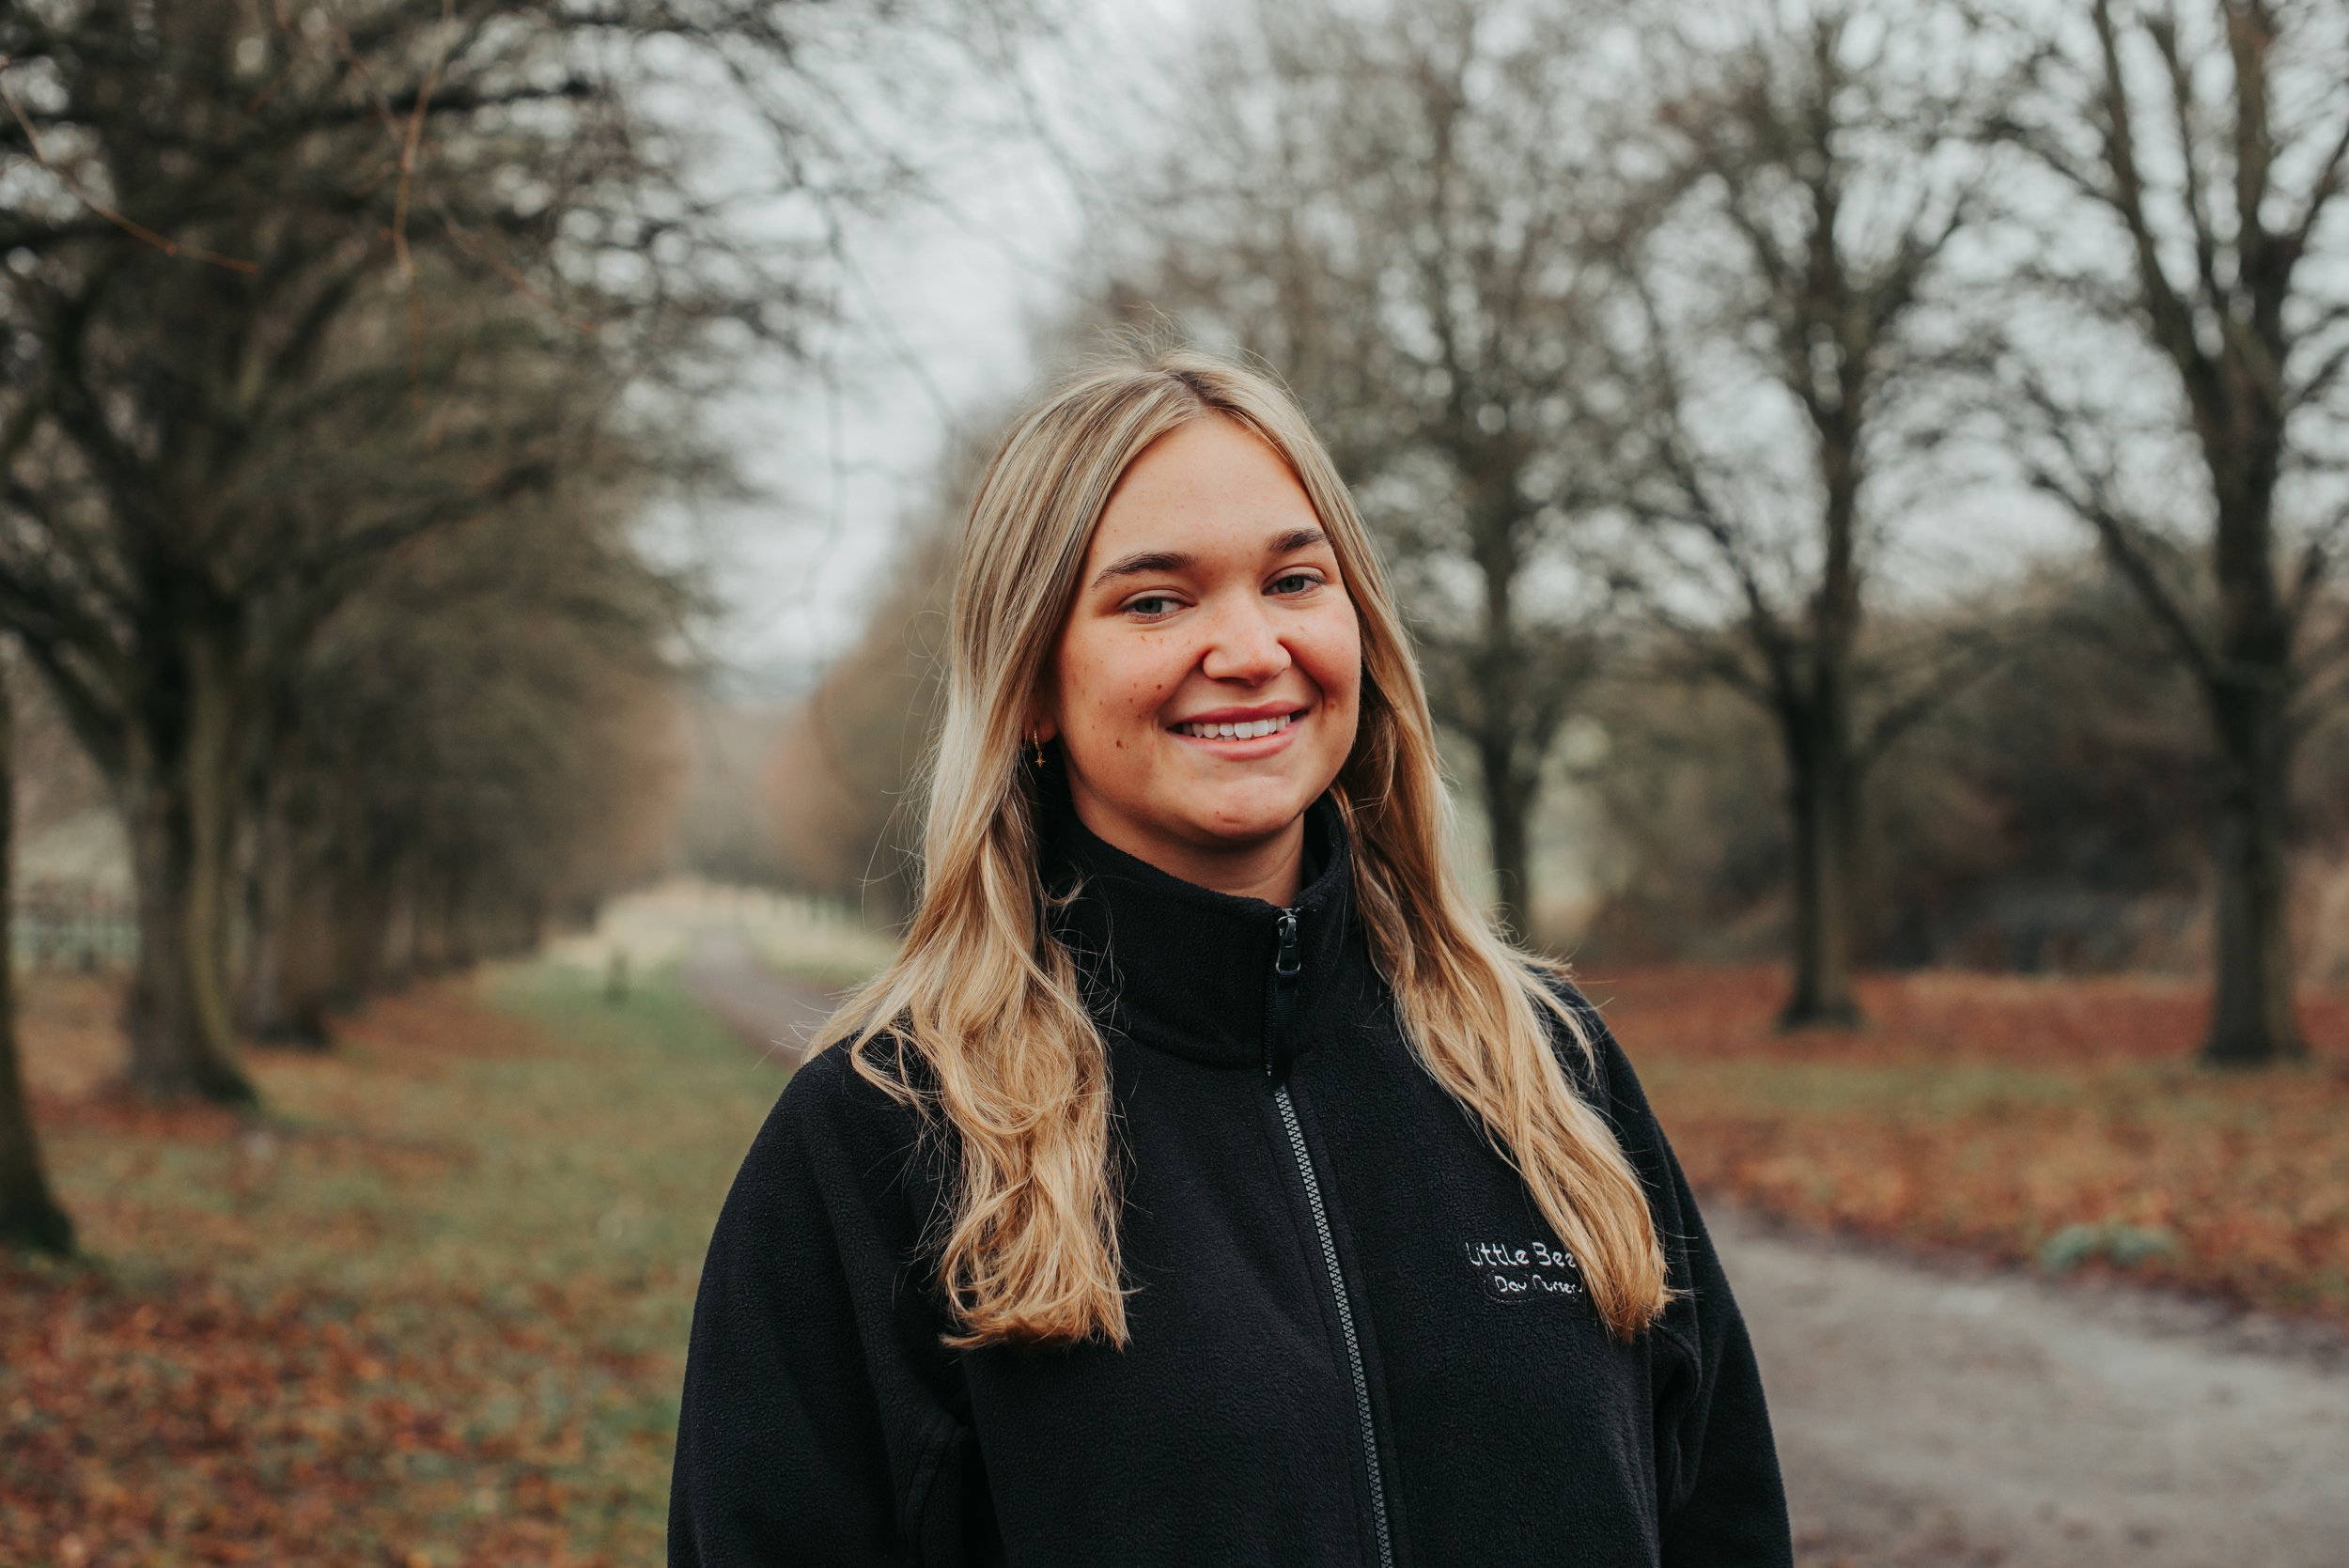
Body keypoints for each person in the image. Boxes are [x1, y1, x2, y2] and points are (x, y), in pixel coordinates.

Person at [669, 350, 1793, 1567]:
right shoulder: (876, 1140)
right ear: (1034, 683)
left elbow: (1723, 1518)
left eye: (1295, 579)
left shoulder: (1553, 1074)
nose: (1250, 647)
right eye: (1156, 600)